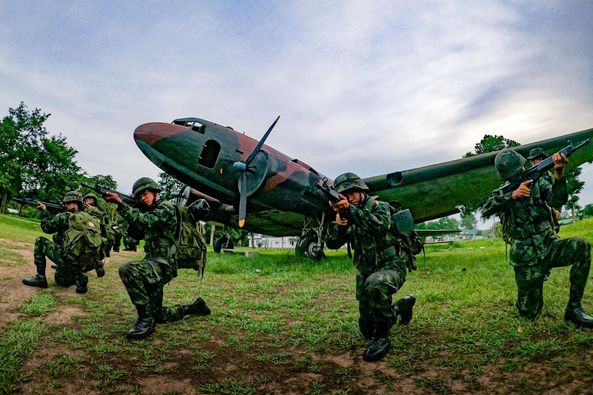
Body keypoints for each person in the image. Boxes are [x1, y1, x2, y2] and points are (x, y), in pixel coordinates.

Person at [482, 149, 593, 328]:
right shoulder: (502, 192)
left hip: (549, 246)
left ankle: (574, 309)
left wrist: (558, 174)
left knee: (581, 246)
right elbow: (485, 209)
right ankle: (534, 285)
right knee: (529, 314)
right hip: (525, 258)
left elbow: (557, 200)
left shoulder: (540, 180)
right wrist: (513, 195)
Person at [104, 177, 211, 340]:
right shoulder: (148, 211)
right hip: (153, 263)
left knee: (128, 270)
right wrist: (132, 212)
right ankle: (194, 308)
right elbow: (135, 234)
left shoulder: (165, 207)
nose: (141, 198)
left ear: (155, 192)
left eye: (144, 194)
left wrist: (121, 205)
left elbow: (148, 221)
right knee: (159, 314)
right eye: (138, 196)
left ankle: (145, 321)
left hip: (164, 264)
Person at [325, 172, 416, 362]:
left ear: (362, 191)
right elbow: (332, 244)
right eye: (345, 194)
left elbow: (379, 226)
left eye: (353, 193)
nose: (350, 197)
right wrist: (340, 225)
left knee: (375, 285)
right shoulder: (348, 213)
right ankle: (401, 307)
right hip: (366, 271)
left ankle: (382, 338)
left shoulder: (379, 207)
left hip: (391, 266)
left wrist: (350, 211)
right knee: (366, 329)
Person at [22, 191, 96, 294]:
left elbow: (46, 228)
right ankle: (79, 276)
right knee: (61, 280)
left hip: (68, 260)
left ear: (67, 202)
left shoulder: (63, 216)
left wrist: (44, 211)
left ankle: (40, 277)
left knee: (40, 241)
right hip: (84, 263)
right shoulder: (88, 218)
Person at [83, 193, 108, 277]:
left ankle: (97, 265)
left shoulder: (94, 210)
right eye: (87, 199)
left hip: (92, 234)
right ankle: (97, 265)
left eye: (91, 199)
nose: (89, 201)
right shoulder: (83, 209)